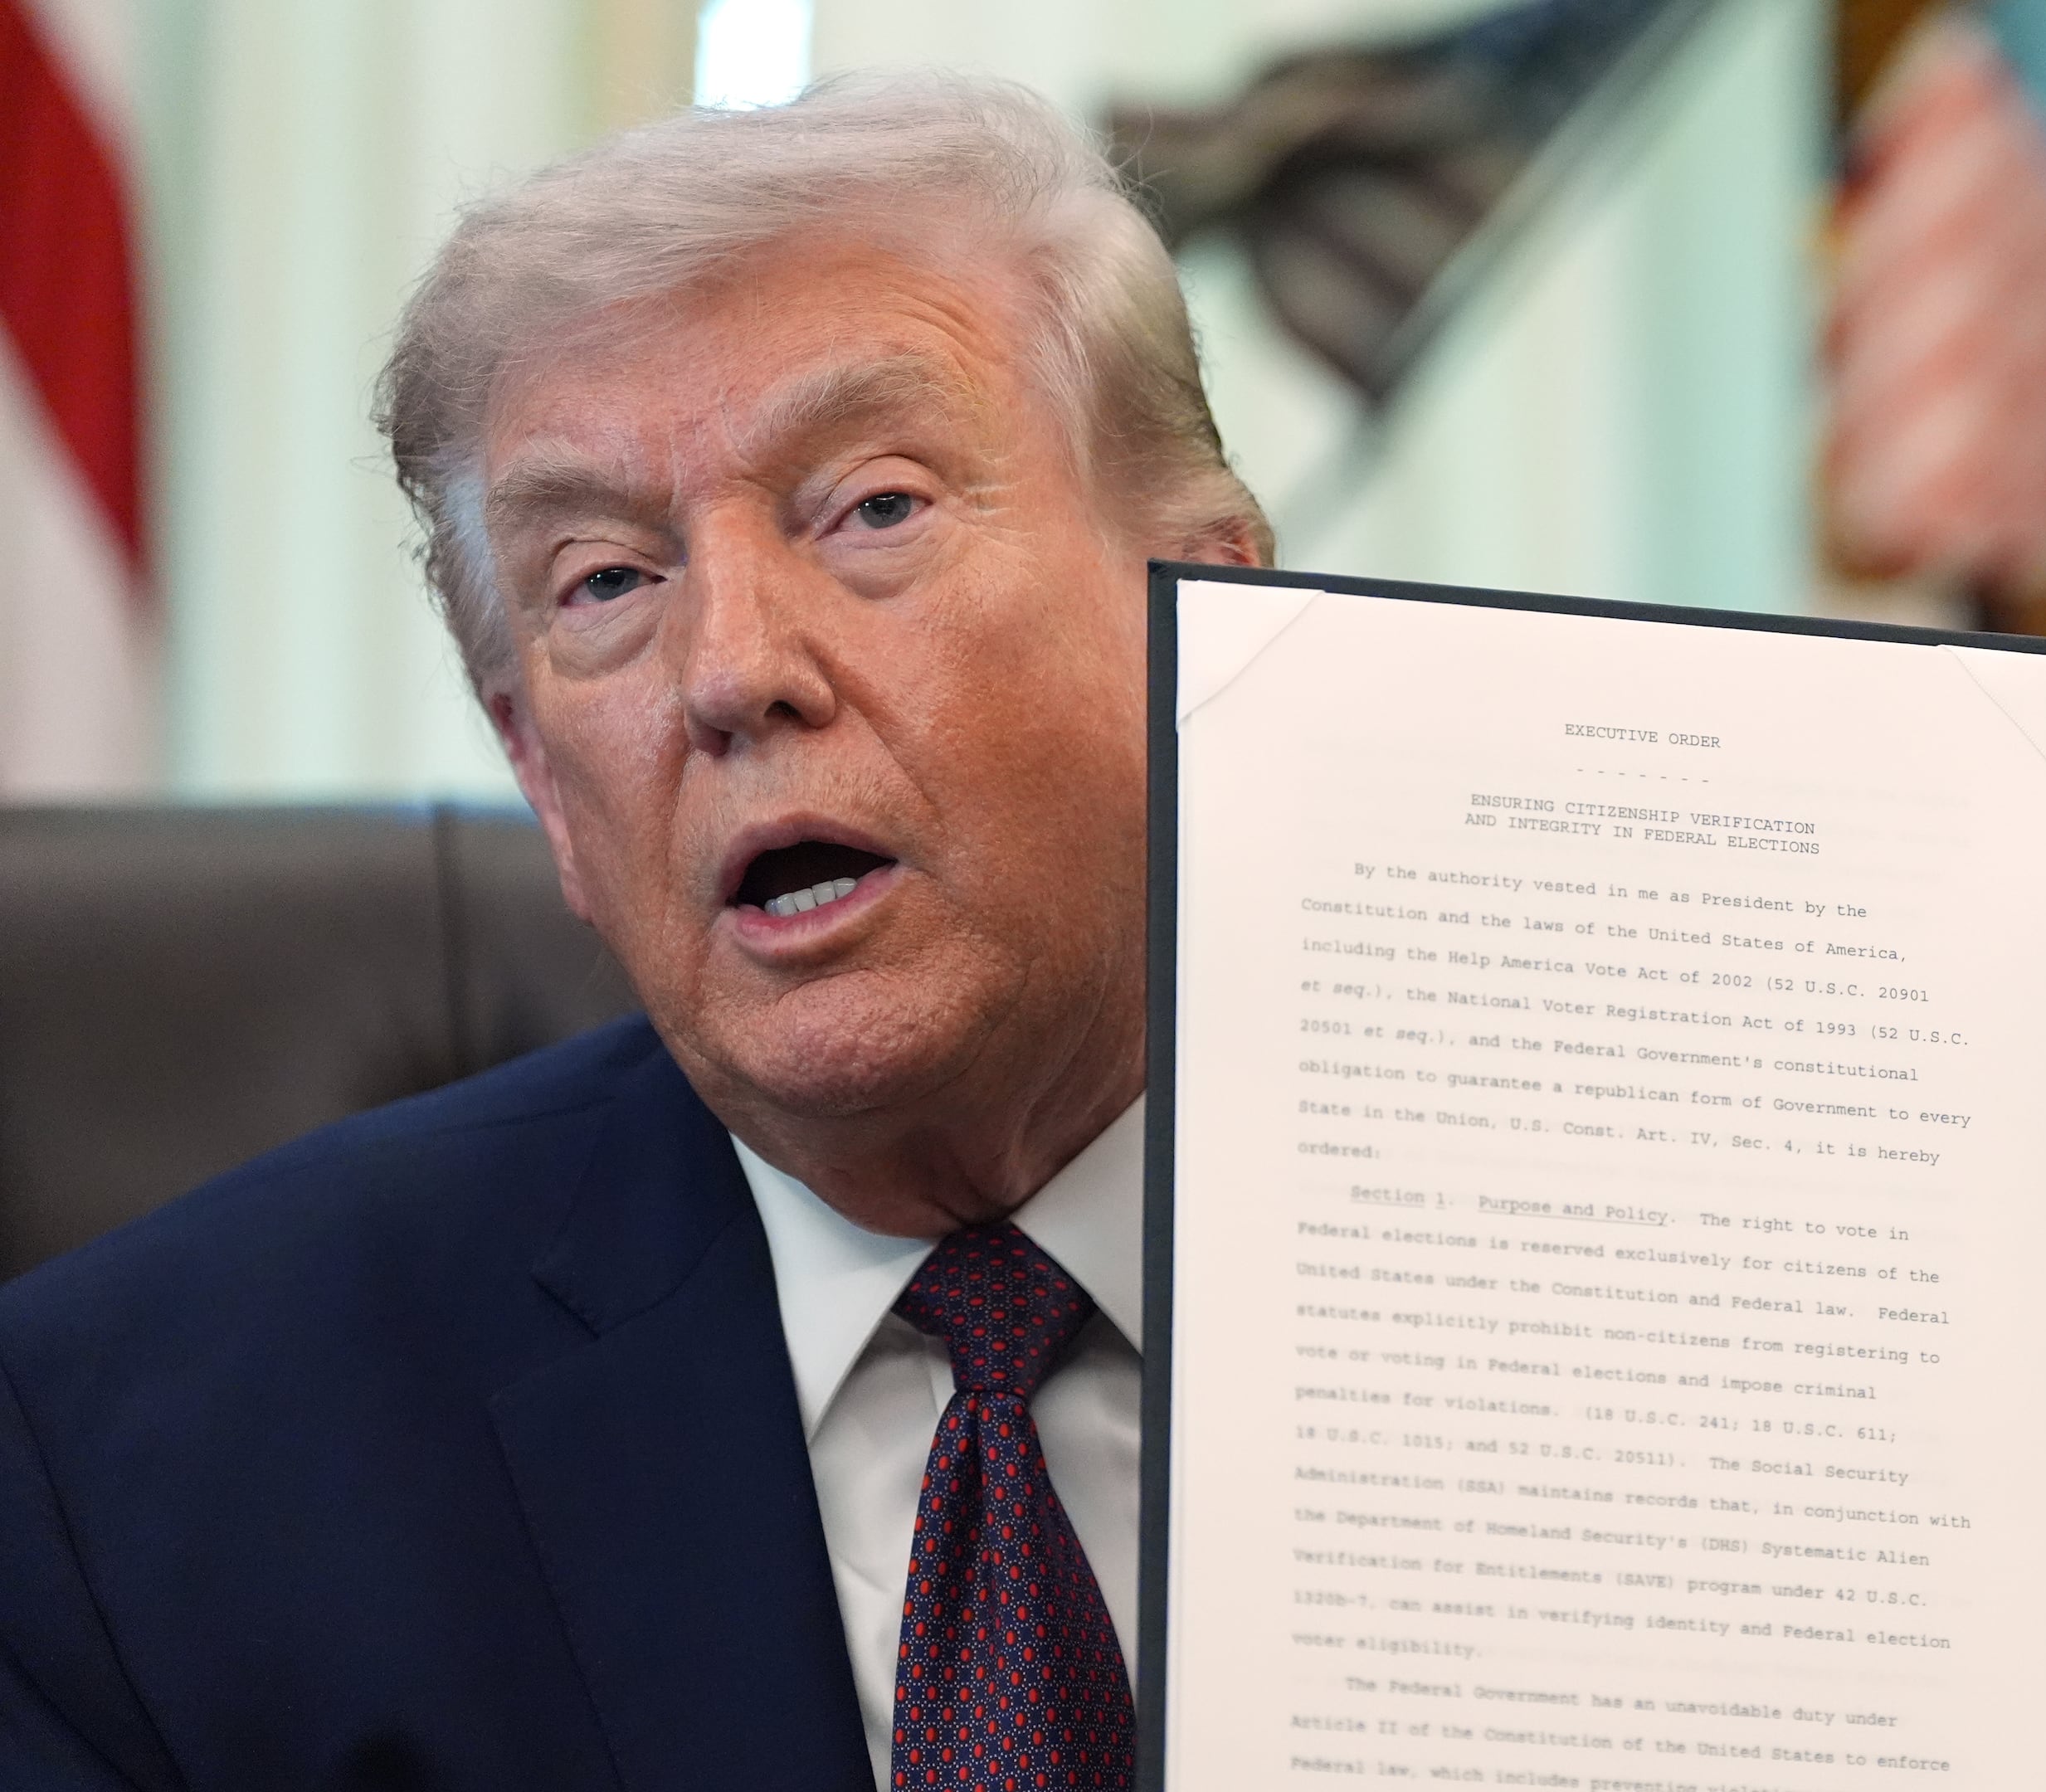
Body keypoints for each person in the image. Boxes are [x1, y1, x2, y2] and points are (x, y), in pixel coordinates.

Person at [0, 73, 1264, 1791]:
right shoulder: (124, 1473)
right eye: (604, 582)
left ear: (1209, 608)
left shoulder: (1662, 1278)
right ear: (539, 774)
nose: (733, 670)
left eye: (873, 507)